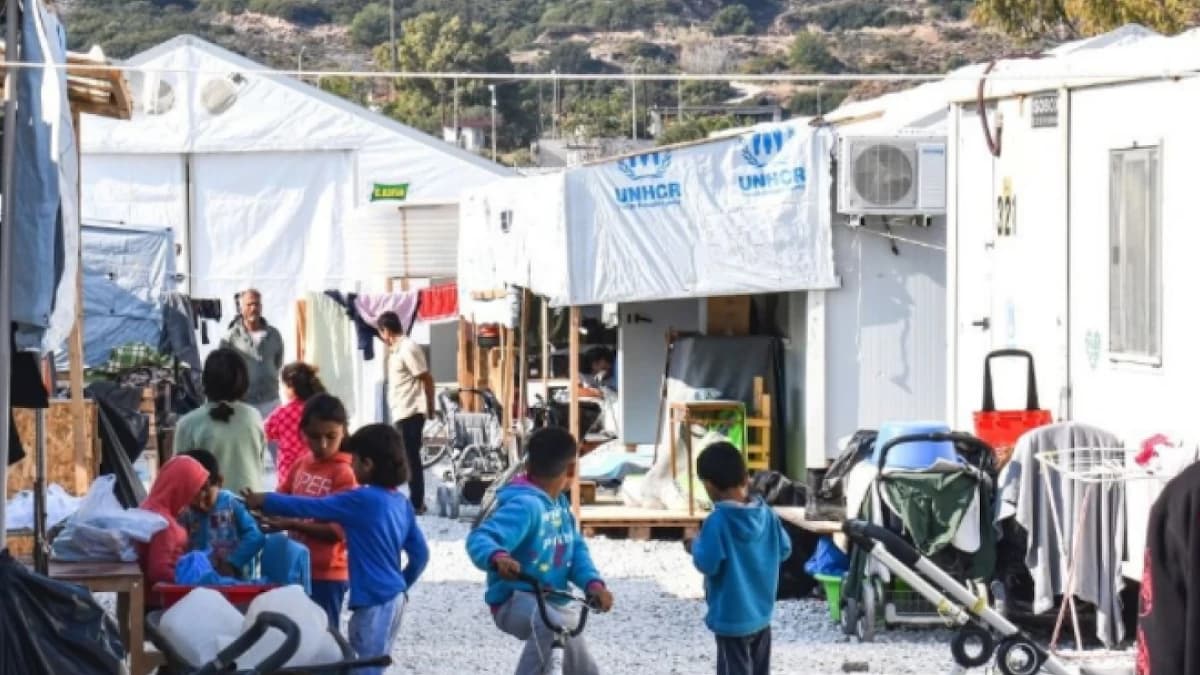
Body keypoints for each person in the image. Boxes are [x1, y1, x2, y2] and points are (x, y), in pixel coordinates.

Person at [243, 424, 429, 675]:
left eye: (354, 461)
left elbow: (312, 506)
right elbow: (420, 555)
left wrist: (264, 500)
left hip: (373, 600)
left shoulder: (361, 500)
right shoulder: (400, 502)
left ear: (367, 463)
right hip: (394, 599)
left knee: (363, 667)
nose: (350, 467)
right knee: (373, 663)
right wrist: (400, 585)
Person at [466, 427, 615, 675]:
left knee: (584, 669)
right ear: (571, 470)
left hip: (557, 604)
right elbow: (481, 537)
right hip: (515, 601)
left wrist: (593, 584)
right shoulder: (526, 505)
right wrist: (498, 557)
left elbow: (576, 550)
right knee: (553, 628)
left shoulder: (560, 504)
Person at [684, 442, 792, 675]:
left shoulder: (718, 522)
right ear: (746, 477)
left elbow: (707, 563)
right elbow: (785, 549)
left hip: (731, 619)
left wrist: (694, 545)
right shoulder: (768, 516)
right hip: (761, 614)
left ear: (709, 485)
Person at [272, 393, 358, 629]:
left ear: (343, 431)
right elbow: (282, 497)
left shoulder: (345, 473)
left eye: (331, 437)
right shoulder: (302, 463)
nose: (322, 445)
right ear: (303, 433)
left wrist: (291, 524)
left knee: (324, 635)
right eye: (314, 436)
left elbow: (336, 531)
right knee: (299, 633)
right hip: (296, 567)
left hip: (328, 574)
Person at [174, 348, 267, 494]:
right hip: (251, 505)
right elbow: (259, 464)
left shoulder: (187, 424)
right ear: (243, 381)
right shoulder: (253, 416)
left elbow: (180, 478)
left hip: (209, 510)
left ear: (205, 381)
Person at [377, 311, 434, 515]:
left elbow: (426, 378)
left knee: (411, 458)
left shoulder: (408, 347)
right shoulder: (395, 350)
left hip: (411, 411)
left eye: (381, 332)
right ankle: (414, 500)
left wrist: (431, 406)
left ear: (386, 331)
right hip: (402, 410)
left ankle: (417, 503)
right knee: (406, 457)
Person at [178, 448, 266, 579]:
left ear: (219, 482)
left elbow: (256, 536)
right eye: (193, 498)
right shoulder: (185, 511)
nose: (201, 505)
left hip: (235, 580)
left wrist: (233, 562)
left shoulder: (232, 504)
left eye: (207, 496)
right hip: (197, 579)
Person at [137, 455, 213, 591]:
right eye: (198, 488)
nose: (202, 494)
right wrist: (190, 583)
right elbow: (158, 571)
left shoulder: (149, 508)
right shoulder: (163, 524)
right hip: (163, 600)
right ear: (182, 486)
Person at [221, 288, 285, 420]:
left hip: (271, 401)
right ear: (241, 308)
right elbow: (223, 369)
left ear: (261, 307)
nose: (253, 308)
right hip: (244, 403)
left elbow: (278, 362)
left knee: (272, 440)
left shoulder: (274, 334)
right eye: (249, 304)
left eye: (257, 304)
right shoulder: (230, 338)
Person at [265, 362, 326, 486]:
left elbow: (262, 434)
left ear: (290, 387)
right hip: (318, 476)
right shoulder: (322, 407)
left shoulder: (281, 414)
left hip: (288, 477)